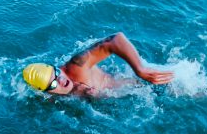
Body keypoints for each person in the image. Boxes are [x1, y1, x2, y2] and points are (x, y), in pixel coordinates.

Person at [22, 32, 174, 97]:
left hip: (150, 85)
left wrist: (140, 69)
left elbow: (116, 39)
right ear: (46, 93)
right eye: (53, 84)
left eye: (56, 73)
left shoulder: (76, 66)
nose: (60, 80)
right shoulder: (53, 98)